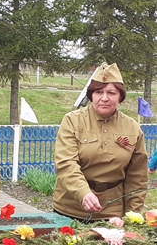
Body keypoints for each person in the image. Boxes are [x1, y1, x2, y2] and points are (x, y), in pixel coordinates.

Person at [53, 62, 148, 221]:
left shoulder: (132, 128)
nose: (104, 98)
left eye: (111, 92)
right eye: (98, 92)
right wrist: (83, 193)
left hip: (112, 214)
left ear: (120, 97)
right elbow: (66, 163)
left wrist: (132, 215)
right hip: (70, 210)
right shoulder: (72, 121)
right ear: (91, 96)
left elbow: (137, 177)